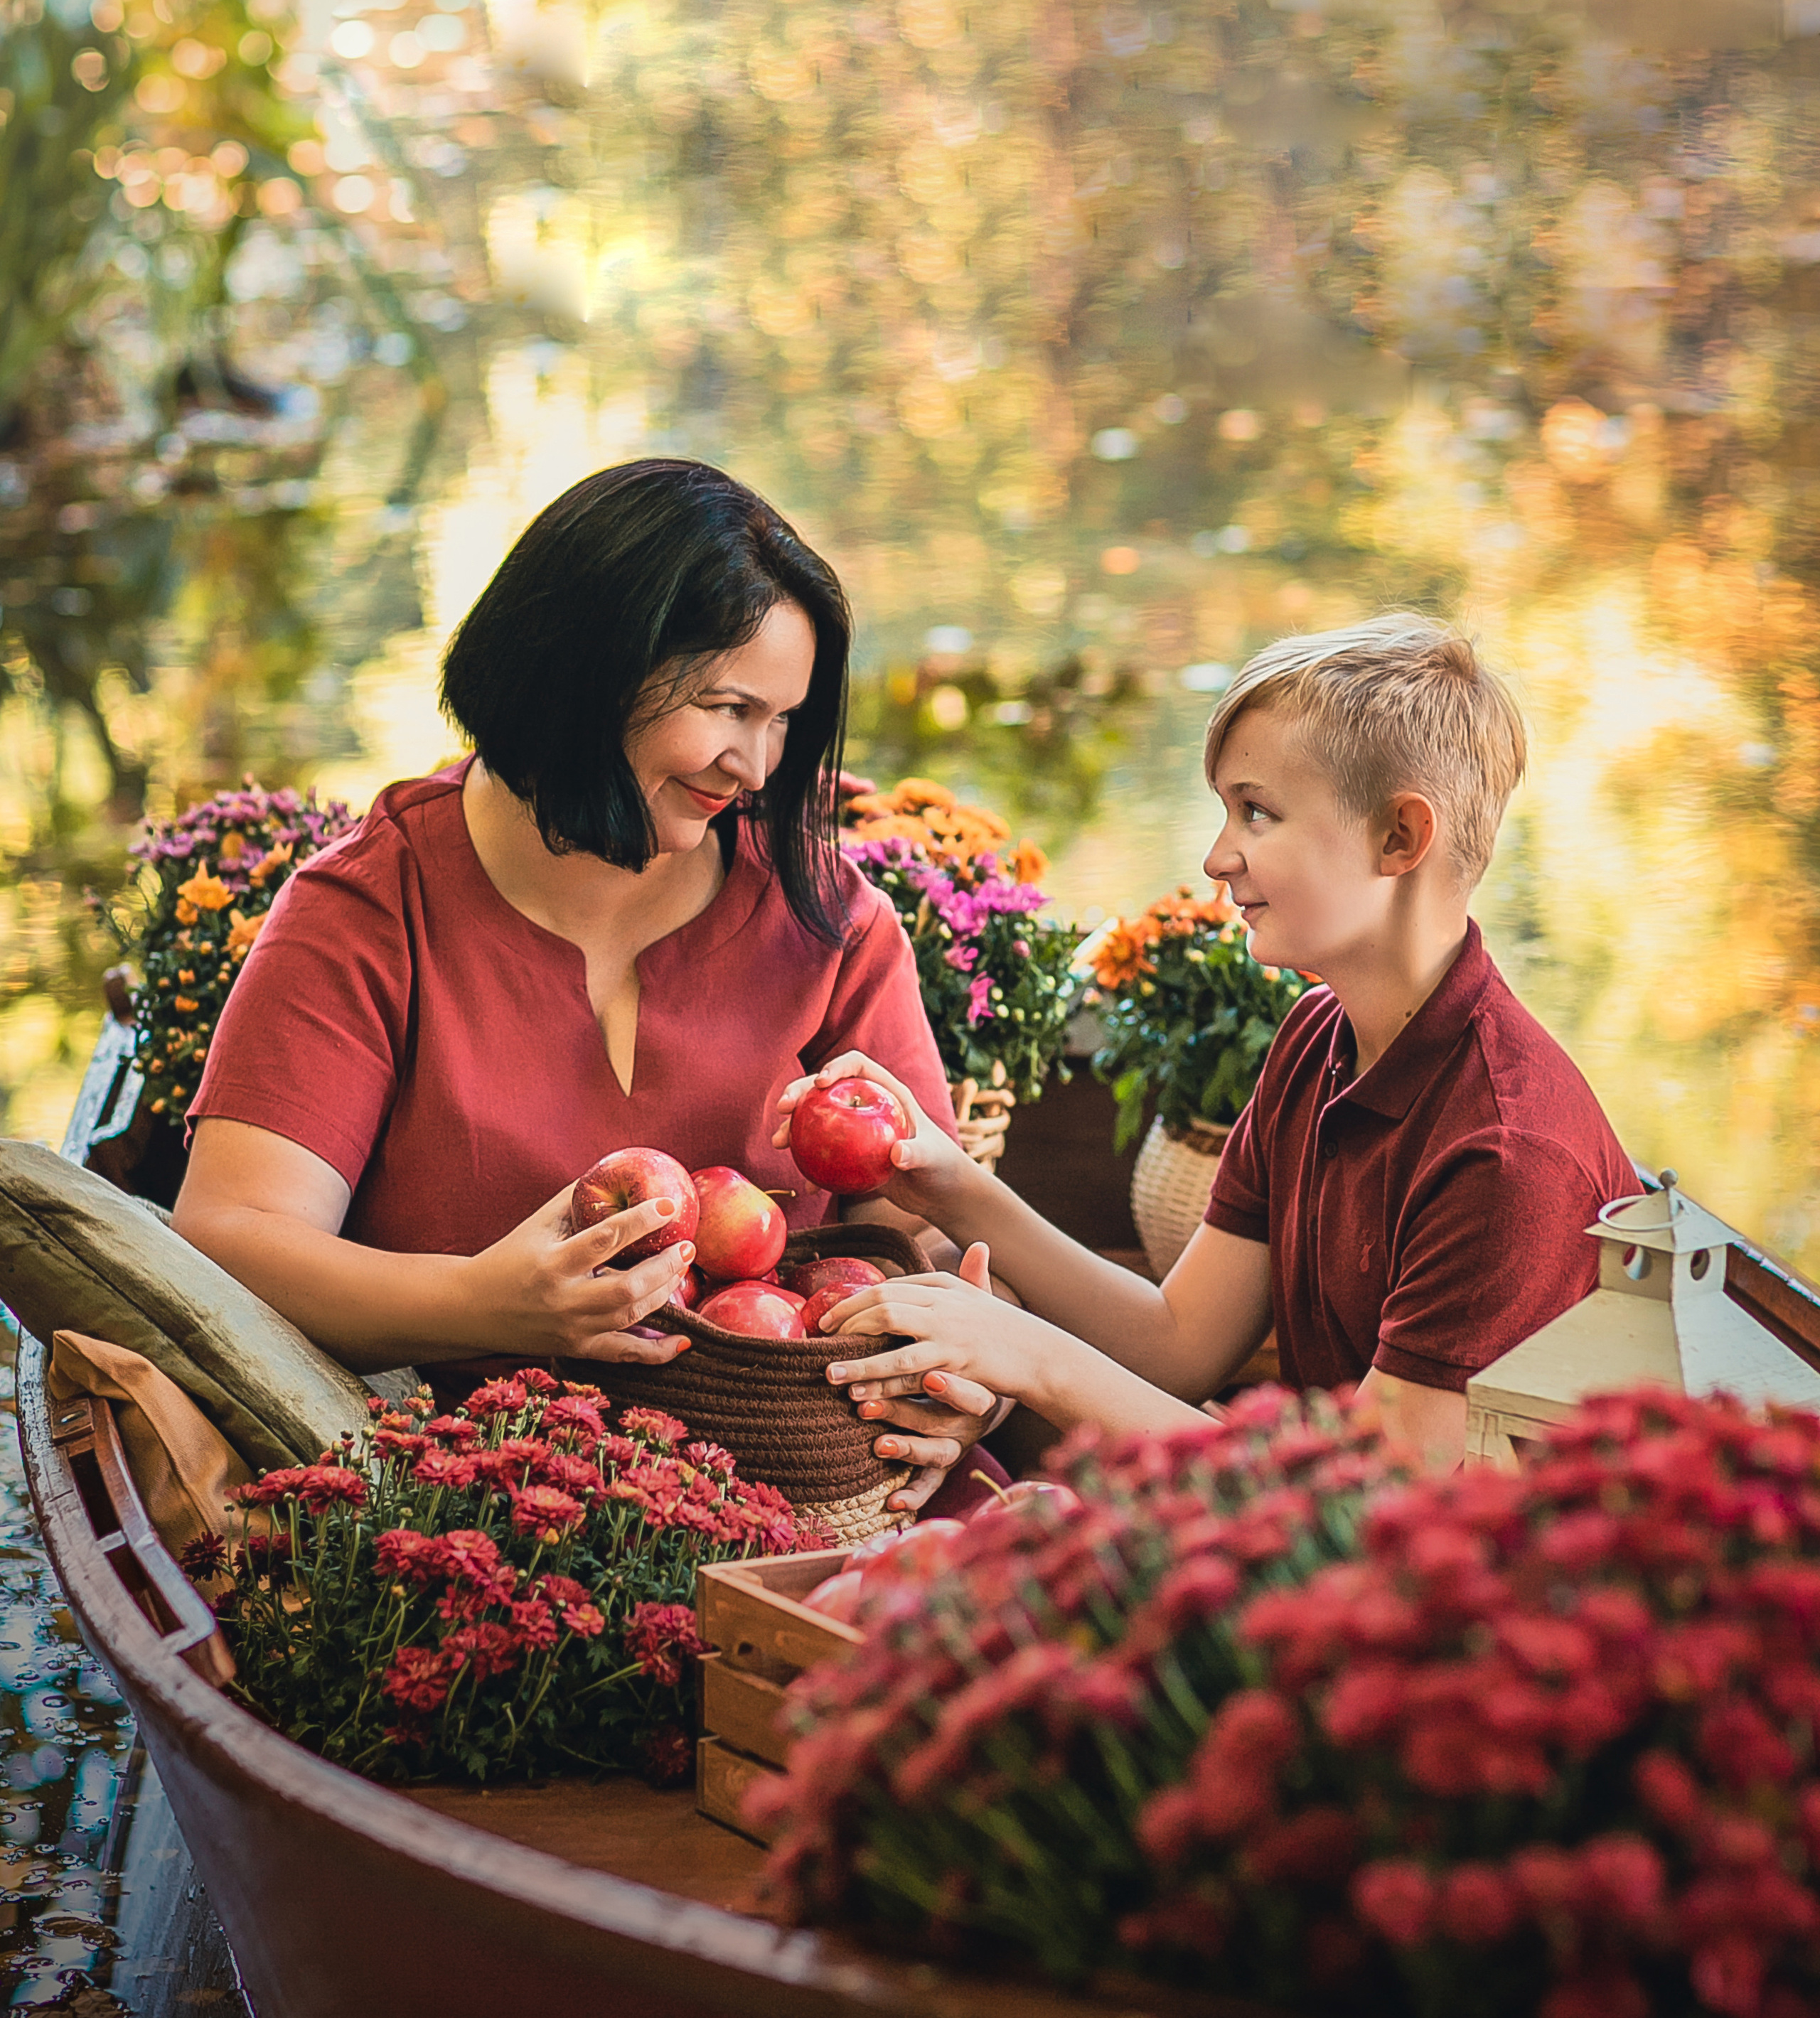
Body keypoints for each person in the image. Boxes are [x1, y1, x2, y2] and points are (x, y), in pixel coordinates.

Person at [176, 457, 989, 1509]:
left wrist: (967, 1393)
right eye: (727, 706)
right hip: (482, 1516)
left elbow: (941, 1253)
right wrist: (481, 1303)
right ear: (586, 671)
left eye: (783, 720)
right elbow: (229, 1240)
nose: (758, 764)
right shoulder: (370, 912)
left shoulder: (827, 921)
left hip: (819, 1485)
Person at [778, 613, 1642, 1473]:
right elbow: (1178, 1341)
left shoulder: (1505, 1155)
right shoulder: (1318, 1037)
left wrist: (1027, 1354)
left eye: (1255, 814)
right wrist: (946, 1186)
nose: (1216, 857)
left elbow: (1368, 1504)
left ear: (1399, 838)